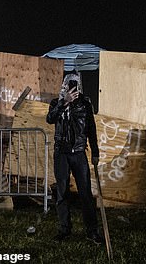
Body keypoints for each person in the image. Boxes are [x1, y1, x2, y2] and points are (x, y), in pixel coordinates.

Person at [46, 73, 103, 243]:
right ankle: (64, 229)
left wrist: (95, 151)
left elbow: (91, 129)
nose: (71, 88)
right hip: (61, 153)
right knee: (62, 192)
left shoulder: (85, 104)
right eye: (68, 85)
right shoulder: (57, 102)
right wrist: (65, 101)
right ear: (63, 85)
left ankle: (91, 231)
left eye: (75, 85)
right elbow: (50, 119)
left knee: (85, 193)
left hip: (78, 152)